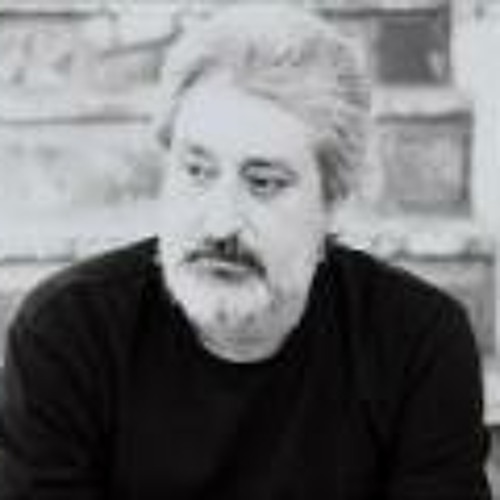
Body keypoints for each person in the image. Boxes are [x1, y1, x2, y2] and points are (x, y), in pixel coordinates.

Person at [0, 5, 491, 499]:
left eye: (263, 183)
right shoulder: (68, 334)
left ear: (333, 203)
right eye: (197, 171)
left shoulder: (417, 343)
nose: (220, 222)